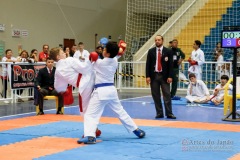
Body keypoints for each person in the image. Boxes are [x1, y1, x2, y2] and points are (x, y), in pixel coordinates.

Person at [78, 42, 145, 144]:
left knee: (90, 114)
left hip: (101, 92)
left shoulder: (100, 63)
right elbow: (118, 53)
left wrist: (91, 57)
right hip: (111, 91)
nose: (103, 51)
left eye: (104, 50)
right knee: (120, 111)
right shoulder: (114, 60)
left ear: (108, 54)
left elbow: (89, 65)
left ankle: (90, 136)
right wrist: (121, 48)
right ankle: (136, 130)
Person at [145, 35, 176, 119]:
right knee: (156, 95)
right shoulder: (151, 51)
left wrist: (170, 76)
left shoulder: (168, 51)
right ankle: (159, 113)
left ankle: (169, 113)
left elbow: (170, 65)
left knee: (167, 95)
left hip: (164, 76)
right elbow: (148, 64)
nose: (157, 41)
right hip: (154, 75)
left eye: (159, 40)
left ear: (162, 41)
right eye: (156, 40)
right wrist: (147, 76)